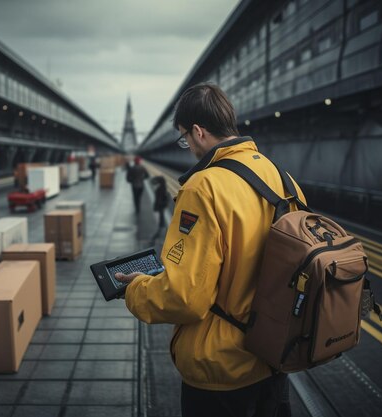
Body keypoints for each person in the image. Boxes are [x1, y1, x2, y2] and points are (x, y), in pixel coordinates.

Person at [115, 83, 305, 417]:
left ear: (198, 131)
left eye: (184, 137)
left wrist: (136, 289)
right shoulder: (281, 177)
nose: (186, 145)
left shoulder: (204, 187)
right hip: (273, 358)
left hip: (222, 371)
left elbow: (184, 296)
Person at [150, 176, 169, 240]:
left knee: (160, 222)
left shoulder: (159, 189)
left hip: (159, 208)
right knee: (161, 222)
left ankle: (157, 236)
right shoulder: (163, 188)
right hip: (161, 207)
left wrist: (156, 207)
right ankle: (160, 235)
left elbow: (159, 201)